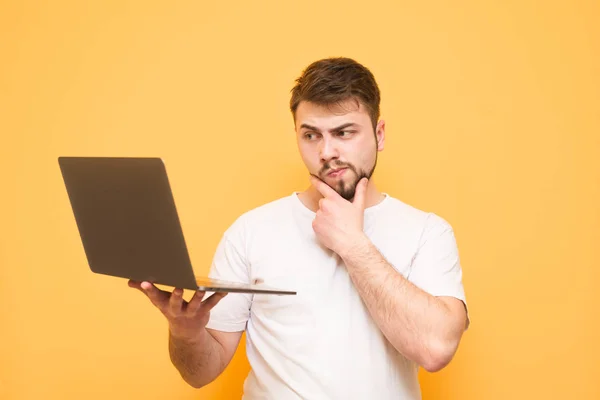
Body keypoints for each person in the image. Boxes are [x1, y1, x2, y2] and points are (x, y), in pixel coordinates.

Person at [129, 57, 470, 399]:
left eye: (344, 132)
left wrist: (353, 244)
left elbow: (436, 349)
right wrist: (186, 335)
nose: (326, 152)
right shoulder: (250, 232)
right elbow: (200, 373)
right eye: (311, 135)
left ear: (379, 135)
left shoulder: (427, 232)